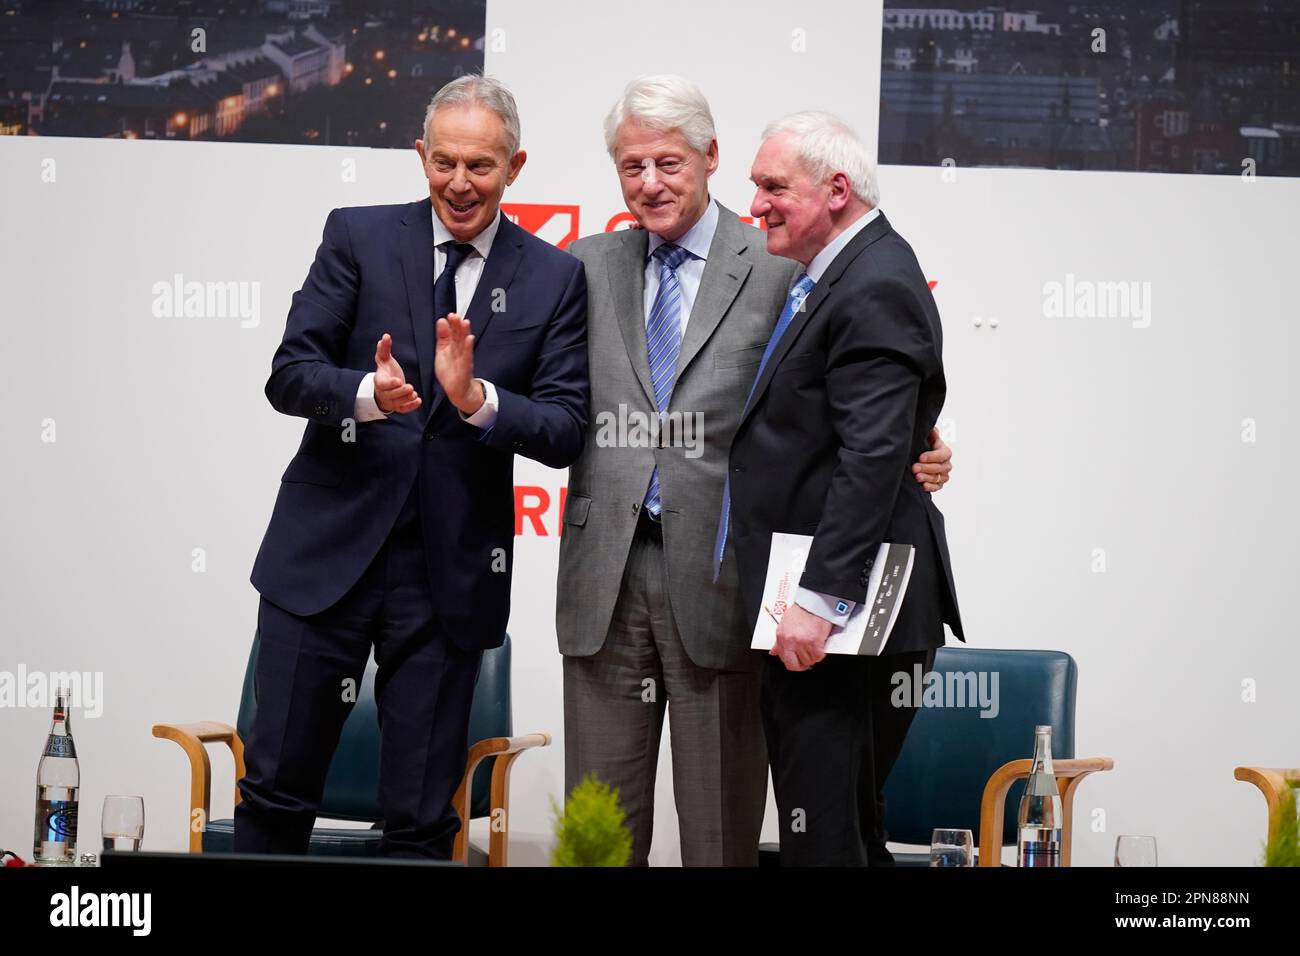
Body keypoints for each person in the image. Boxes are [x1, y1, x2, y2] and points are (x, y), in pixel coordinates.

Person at [557, 77, 953, 865]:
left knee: (729, 834)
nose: (650, 183)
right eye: (631, 167)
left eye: (668, 162)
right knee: (598, 839)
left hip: (731, 583)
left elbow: (858, 404)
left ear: (710, 157)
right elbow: (551, 404)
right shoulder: (585, 263)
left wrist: (921, 444)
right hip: (604, 581)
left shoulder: (784, 266)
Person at [237, 75, 588, 858]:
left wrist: (478, 399)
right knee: (273, 794)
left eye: (482, 166)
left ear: (516, 166)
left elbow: (565, 430)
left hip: (447, 579)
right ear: (420, 155)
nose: (459, 183)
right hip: (322, 559)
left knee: (423, 818)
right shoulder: (356, 235)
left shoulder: (555, 278)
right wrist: (366, 391)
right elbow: (289, 374)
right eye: (444, 162)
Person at [721, 111, 964, 866]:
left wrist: (819, 602)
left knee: (823, 837)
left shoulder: (873, 282)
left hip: (841, 623)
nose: (754, 203)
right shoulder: (845, 274)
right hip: (835, 616)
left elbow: (870, 455)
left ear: (835, 190)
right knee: (842, 832)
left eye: (772, 187)